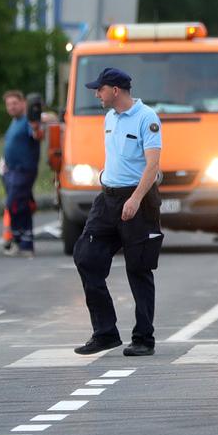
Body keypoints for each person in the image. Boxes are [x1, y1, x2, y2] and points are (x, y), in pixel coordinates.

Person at [73, 67, 164, 357]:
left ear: (115, 90)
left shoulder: (146, 118)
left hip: (136, 200)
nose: (96, 94)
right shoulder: (109, 117)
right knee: (86, 258)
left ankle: (143, 338)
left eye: (99, 89)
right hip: (108, 200)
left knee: (138, 269)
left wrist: (136, 199)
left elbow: (152, 165)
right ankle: (105, 332)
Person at [0, 90, 43, 256]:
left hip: (24, 170)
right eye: (8, 104)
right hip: (11, 171)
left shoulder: (27, 121)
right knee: (21, 206)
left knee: (13, 204)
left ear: (24, 104)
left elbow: (38, 135)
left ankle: (22, 241)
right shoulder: (14, 122)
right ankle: (23, 243)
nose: (11, 107)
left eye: (14, 103)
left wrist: (36, 127)